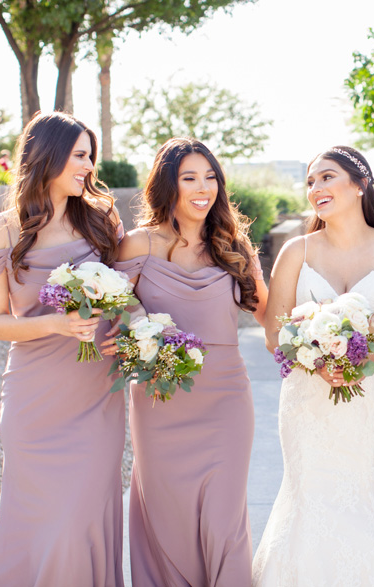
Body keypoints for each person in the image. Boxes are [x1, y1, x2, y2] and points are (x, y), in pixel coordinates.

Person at [251, 146, 374, 586]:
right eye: (310, 181)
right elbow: (274, 334)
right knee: (311, 495)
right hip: (308, 402)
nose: (316, 187)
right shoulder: (296, 251)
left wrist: (362, 360)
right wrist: (316, 360)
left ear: (359, 185)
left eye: (327, 177)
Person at [0, 112, 125, 586]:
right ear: (49, 155)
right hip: (34, 398)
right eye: (79, 155)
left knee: (80, 519)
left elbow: (130, 292)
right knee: (41, 520)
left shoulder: (102, 219)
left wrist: (127, 325)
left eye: (90, 156)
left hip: (96, 396)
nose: (89, 166)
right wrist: (58, 323)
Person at [107, 138, 267, 586]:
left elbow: (271, 314)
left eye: (211, 177)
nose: (203, 188)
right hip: (161, 400)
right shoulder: (137, 244)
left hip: (226, 399)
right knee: (168, 516)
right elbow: (114, 306)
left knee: (223, 518)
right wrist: (140, 324)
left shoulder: (233, 245)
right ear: (167, 184)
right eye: (190, 177)